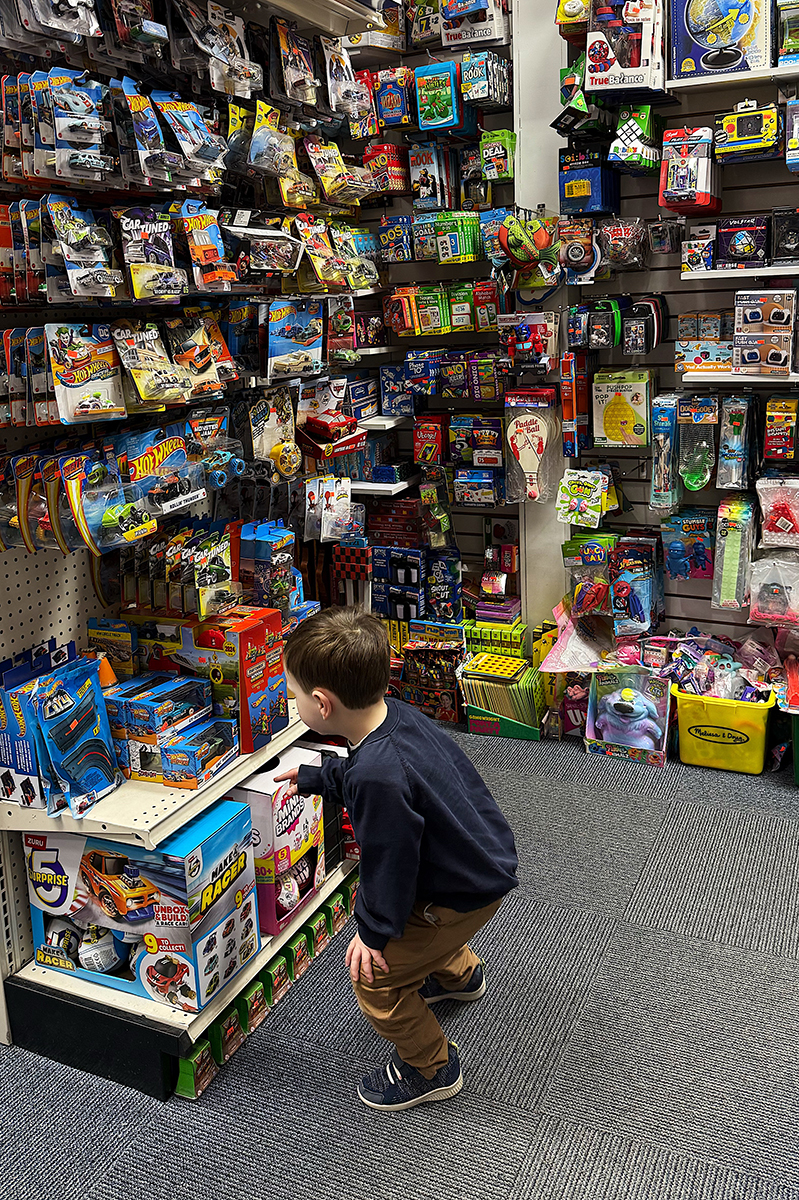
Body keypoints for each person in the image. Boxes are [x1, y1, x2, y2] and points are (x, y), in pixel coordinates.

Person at [274, 607, 518, 1112]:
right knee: (420, 934)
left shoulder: (376, 778)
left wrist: (373, 930)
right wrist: (322, 778)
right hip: (477, 860)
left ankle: (431, 1066)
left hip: (453, 894)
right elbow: (382, 777)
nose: (292, 700)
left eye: (293, 693)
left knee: (375, 978)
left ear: (322, 704)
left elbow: (390, 863)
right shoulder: (396, 715)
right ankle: (458, 974)